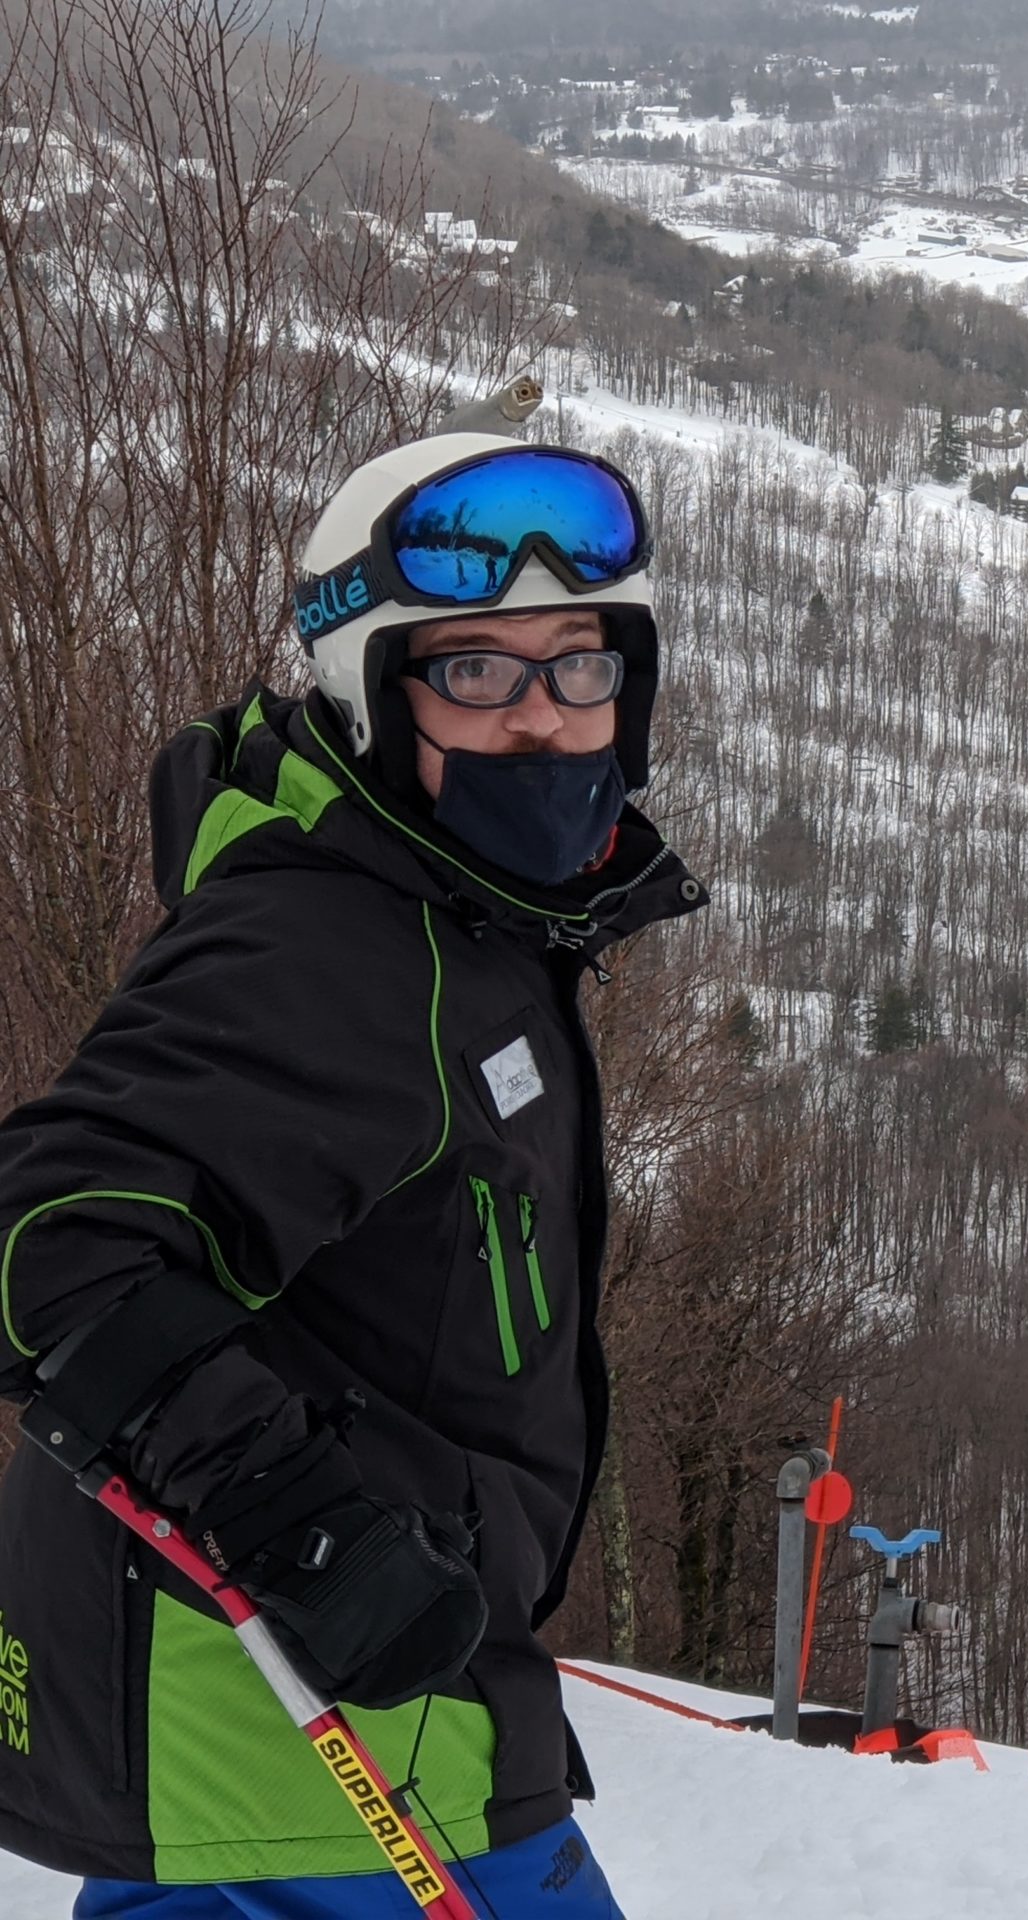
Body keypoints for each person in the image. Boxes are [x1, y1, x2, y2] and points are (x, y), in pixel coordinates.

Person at [0, 431, 705, 1915]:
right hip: (317, 1745)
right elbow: (44, 1236)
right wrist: (298, 1522)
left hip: (285, 1749)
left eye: (581, 664)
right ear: (375, 695)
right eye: (476, 671)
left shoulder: (463, 925)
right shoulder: (327, 946)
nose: (543, 718)